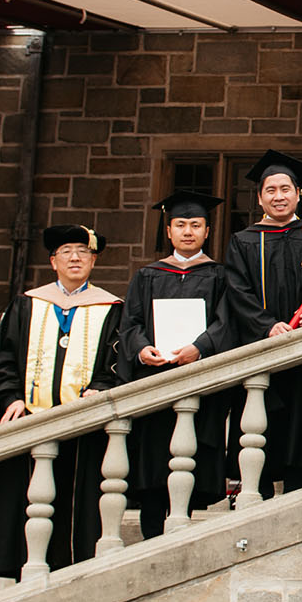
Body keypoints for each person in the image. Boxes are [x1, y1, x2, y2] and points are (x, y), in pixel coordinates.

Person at [0, 224, 123, 579]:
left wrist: (102, 385)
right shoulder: (27, 304)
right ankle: (22, 569)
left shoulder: (110, 307)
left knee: (76, 510)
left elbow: (118, 360)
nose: (75, 258)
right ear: (53, 262)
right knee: (25, 502)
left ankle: (72, 572)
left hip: (82, 427)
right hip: (31, 422)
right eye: (67, 252)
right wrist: (9, 397)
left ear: (93, 260)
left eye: (83, 252)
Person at [121, 191, 232, 538]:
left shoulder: (218, 276)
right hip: (156, 382)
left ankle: (184, 533)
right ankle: (151, 535)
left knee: (193, 460)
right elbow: (130, 324)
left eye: (195, 225)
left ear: (207, 231)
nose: (188, 231)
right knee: (153, 466)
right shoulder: (147, 276)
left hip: (197, 382)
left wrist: (200, 347)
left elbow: (226, 321)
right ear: (168, 231)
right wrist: (142, 350)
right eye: (180, 225)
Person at [224, 150, 302, 496]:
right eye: (271, 190)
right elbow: (238, 292)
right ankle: (261, 493)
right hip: (262, 348)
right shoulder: (243, 241)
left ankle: (299, 491)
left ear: (299, 194)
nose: (279, 196)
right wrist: (268, 325)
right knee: (262, 426)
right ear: (260, 197)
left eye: (286, 189)